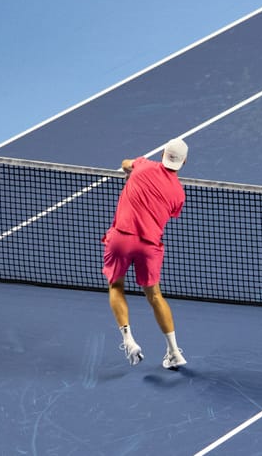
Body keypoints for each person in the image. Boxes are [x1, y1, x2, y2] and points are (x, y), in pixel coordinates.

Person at [101, 138, 188, 369]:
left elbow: (125, 162)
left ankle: (128, 339)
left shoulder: (143, 165)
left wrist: (132, 173)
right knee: (155, 296)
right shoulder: (179, 194)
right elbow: (169, 211)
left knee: (116, 287)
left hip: (120, 239)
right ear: (184, 162)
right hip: (148, 247)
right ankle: (173, 351)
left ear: (162, 154)